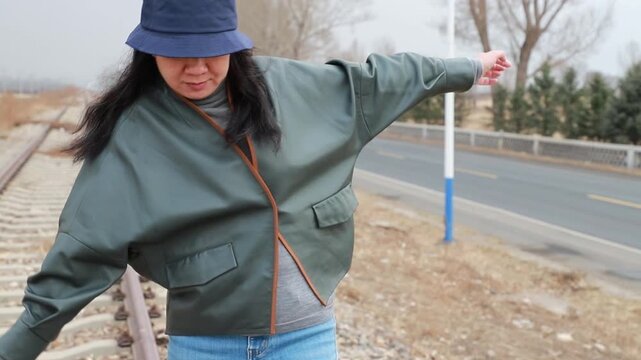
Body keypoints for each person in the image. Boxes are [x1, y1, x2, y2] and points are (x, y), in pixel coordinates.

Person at [0, 0, 510, 359]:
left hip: (307, 337)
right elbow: (81, 251)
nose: (197, 68)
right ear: (149, 50)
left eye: (212, 50)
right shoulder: (133, 134)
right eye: (179, 52)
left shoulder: (287, 88)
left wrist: (466, 67)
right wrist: (19, 345)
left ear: (234, 45)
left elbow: (382, 81)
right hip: (206, 344)